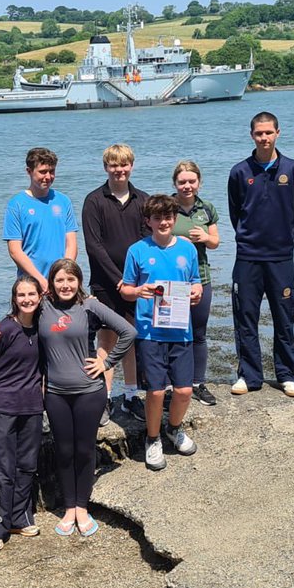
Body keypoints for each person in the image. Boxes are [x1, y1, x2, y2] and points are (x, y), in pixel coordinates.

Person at [39, 258, 134, 537]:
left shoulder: (89, 305)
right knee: (64, 450)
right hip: (55, 394)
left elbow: (128, 332)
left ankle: (82, 506)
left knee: (84, 449)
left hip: (89, 392)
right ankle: (69, 507)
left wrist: (106, 363)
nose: (65, 285)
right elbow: (17, 320)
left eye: (71, 279)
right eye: (60, 280)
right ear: (52, 283)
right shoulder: (43, 307)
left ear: (78, 281)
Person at [227, 112, 294, 397]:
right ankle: (249, 376)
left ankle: (287, 374)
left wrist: (283, 239)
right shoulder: (240, 172)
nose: (264, 138)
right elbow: (235, 213)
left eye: (268, 133)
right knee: (245, 318)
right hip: (248, 257)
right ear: (252, 135)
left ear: (278, 133)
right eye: (259, 133)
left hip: (281, 258)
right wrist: (250, 239)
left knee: (283, 318)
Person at [121, 195, 204, 470]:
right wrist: (137, 292)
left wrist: (197, 291)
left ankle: (174, 428)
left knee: (183, 389)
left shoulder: (188, 249)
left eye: (168, 217)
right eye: (157, 218)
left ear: (175, 218)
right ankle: (153, 438)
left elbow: (195, 282)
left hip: (181, 330)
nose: (164, 222)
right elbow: (125, 289)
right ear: (148, 222)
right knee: (155, 392)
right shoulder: (137, 250)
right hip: (149, 331)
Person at [81, 142, 148, 423]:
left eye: (124, 165)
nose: (119, 170)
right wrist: (119, 281)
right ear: (105, 167)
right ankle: (104, 397)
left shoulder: (143, 199)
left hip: (136, 284)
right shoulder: (94, 200)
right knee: (107, 339)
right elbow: (94, 246)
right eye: (113, 165)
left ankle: (131, 396)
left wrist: (134, 281)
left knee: (132, 337)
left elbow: (148, 242)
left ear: (131, 166)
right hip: (105, 284)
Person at [0, 276, 44, 551]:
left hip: (31, 406)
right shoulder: (3, 329)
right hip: (3, 405)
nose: (27, 299)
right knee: (2, 468)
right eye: (21, 295)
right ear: (14, 299)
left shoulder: (43, 328)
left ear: (40, 297)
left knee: (27, 464)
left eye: (31, 294)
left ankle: (20, 516)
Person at [171, 160, 220, 407]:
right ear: (175, 184)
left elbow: (215, 242)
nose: (187, 186)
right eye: (182, 182)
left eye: (192, 181)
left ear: (199, 182)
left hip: (201, 277)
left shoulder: (206, 208)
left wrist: (205, 237)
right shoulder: (168, 206)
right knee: (174, 333)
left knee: (199, 334)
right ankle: (175, 385)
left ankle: (198, 383)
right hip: (173, 281)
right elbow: (156, 236)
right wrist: (179, 239)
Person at [3, 147, 78, 293]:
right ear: (29, 171)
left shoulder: (63, 201)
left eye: (52, 171)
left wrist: (64, 276)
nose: (48, 176)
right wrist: (41, 281)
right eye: (43, 172)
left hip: (60, 282)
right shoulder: (16, 204)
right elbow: (15, 251)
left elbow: (72, 244)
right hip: (31, 284)